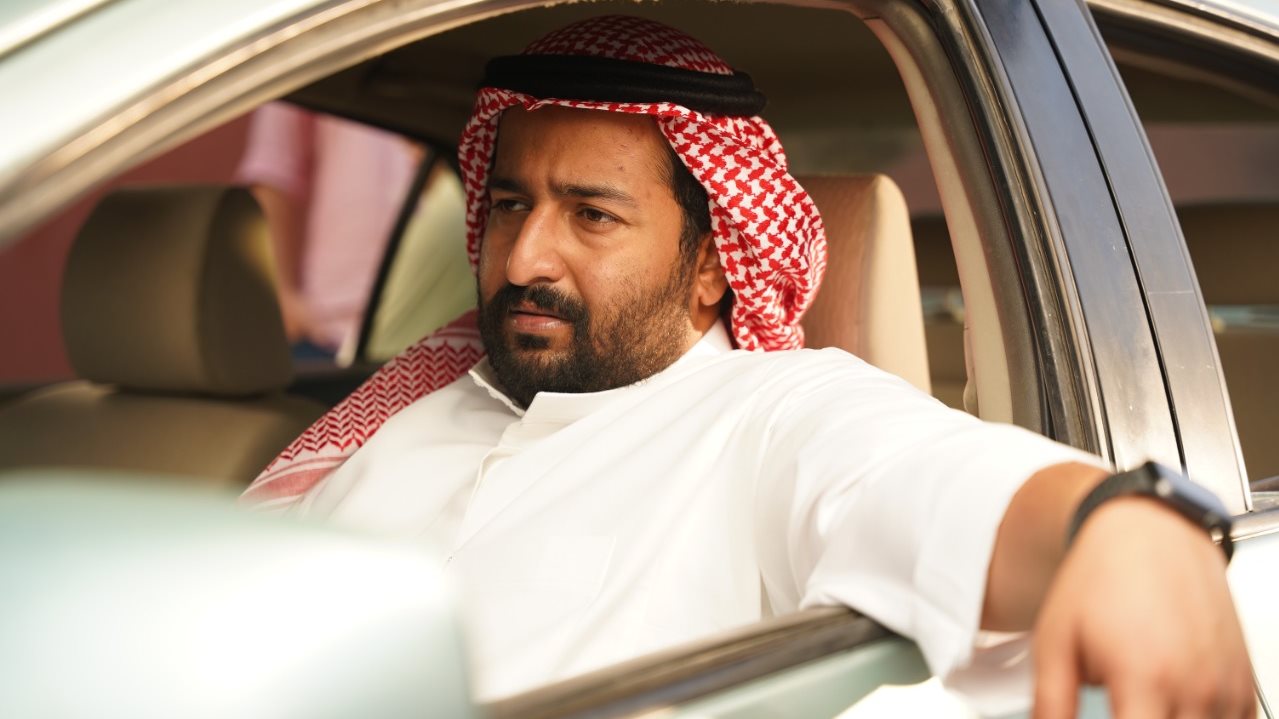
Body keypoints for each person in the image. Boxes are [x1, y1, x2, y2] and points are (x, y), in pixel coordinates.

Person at [241, 16, 1254, 717]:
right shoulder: (412, 402)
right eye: (511, 204)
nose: (521, 260)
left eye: (592, 215)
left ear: (715, 262)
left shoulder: (771, 419)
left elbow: (936, 477)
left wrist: (1120, 526)